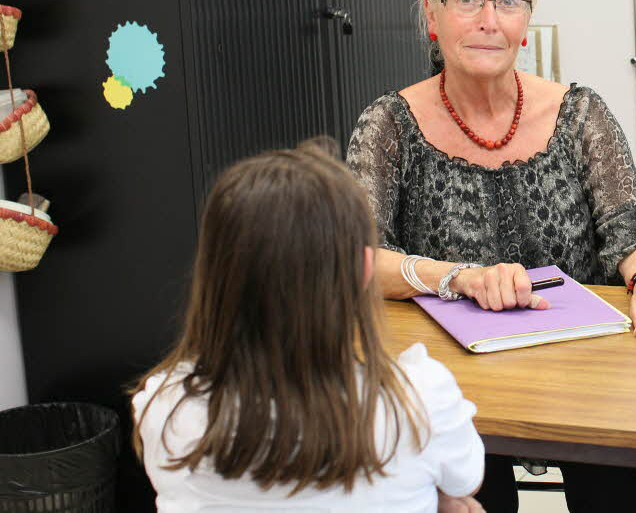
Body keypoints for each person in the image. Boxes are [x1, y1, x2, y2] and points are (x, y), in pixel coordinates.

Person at [346, 0, 636, 513]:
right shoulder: (389, 124)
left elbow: (635, 224)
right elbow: (356, 257)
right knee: (477, 487)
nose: (489, 19)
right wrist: (459, 277)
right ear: (432, 16)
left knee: (613, 492)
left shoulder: (580, 111)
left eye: (508, 1)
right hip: (455, 379)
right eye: (467, 0)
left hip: (585, 369)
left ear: (525, 23)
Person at [131, 138, 485, 512]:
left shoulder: (161, 407)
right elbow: (466, 479)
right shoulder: (420, 401)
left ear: (215, 273)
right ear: (365, 271)